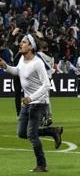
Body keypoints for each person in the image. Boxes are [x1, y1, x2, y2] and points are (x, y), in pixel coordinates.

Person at [0, 34, 63, 173]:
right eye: (21, 42)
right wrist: (6, 66)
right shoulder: (22, 59)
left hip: (39, 103)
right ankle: (53, 131)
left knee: (32, 135)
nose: (20, 44)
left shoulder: (37, 63)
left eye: (23, 42)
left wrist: (31, 97)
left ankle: (42, 165)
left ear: (31, 46)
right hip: (27, 103)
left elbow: (47, 85)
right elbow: (17, 71)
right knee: (22, 133)